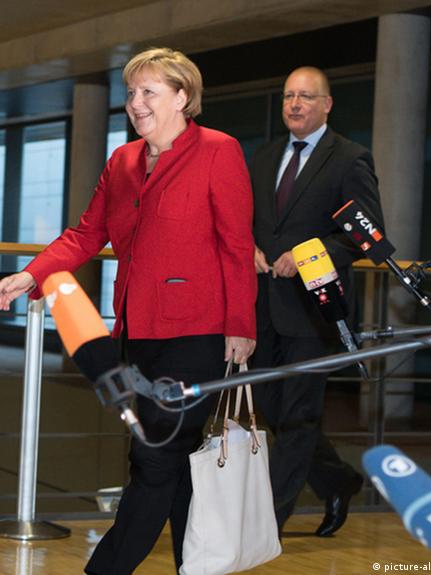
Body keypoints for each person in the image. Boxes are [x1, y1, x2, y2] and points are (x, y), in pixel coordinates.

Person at [0, 47, 257, 574]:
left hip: (199, 332)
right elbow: (86, 233)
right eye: (132, 93)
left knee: (154, 455)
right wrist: (33, 273)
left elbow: (236, 245)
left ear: (182, 97)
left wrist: (241, 326)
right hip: (136, 331)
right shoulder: (122, 161)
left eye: (149, 92)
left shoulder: (219, 151)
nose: (136, 103)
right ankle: (196, 565)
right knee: (176, 459)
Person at [250, 66, 384, 537]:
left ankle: (266, 523)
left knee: (299, 416)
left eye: (306, 96)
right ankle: (337, 480)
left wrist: (309, 255)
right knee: (274, 410)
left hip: (314, 309)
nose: (295, 104)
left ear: (326, 105)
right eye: (289, 95)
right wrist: (248, 247)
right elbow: (248, 219)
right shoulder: (264, 156)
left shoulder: (350, 158)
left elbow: (367, 235)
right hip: (263, 306)